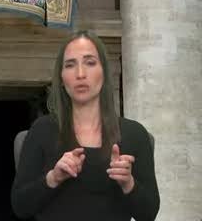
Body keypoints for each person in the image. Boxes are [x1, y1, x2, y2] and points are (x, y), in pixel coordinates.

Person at [11, 31, 160, 221]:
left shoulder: (134, 134)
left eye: (90, 63)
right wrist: (53, 178)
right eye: (70, 65)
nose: (80, 74)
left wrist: (128, 183)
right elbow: (21, 206)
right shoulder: (42, 129)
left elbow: (148, 214)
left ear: (104, 73)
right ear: (62, 79)